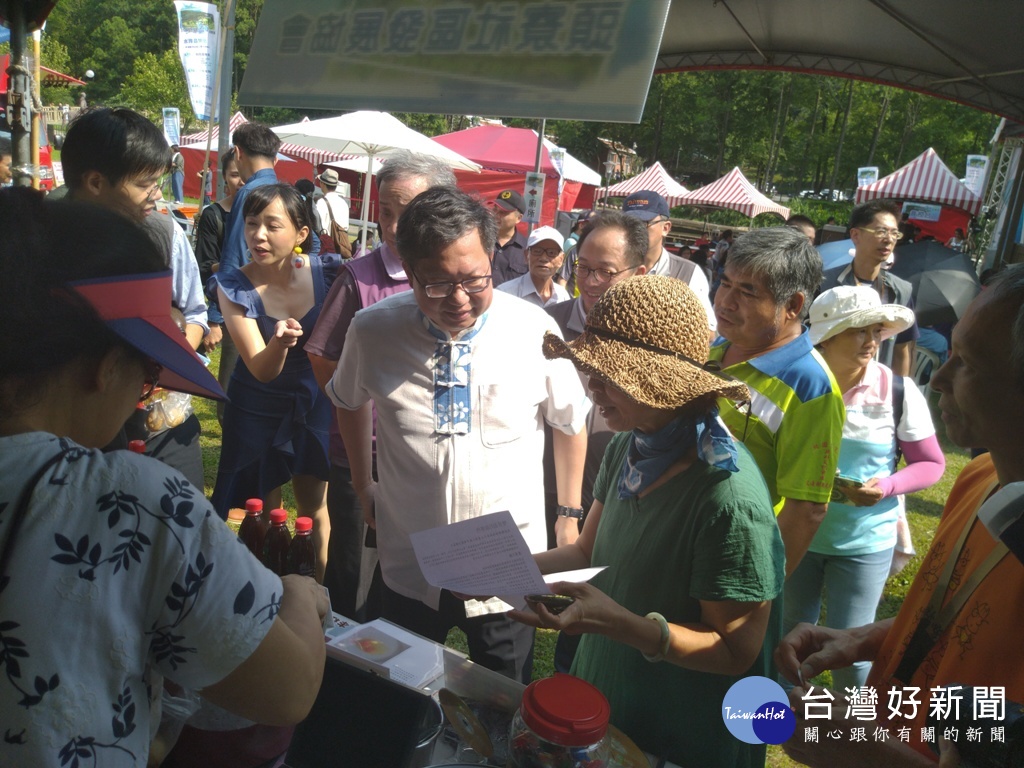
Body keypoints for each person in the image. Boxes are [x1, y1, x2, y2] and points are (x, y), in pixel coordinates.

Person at [0, 188, 327, 767]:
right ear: (105, 370)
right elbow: (288, 690)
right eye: (150, 370)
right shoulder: (130, 500)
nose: (147, 392)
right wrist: (301, 598)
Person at [510, 274, 785, 768]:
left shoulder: (726, 496)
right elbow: (585, 553)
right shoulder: (628, 445)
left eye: (610, 374)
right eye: (590, 367)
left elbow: (735, 649)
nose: (592, 385)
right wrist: (502, 570)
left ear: (665, 383)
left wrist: (627, 626)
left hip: (681, 729)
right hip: (609, 703)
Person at [326, 187, 589, 682]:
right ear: (409, 269)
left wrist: (569, 516)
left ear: (491, 255)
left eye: (474, 279)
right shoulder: (374, 330)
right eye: (438, 285)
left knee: (503, 690)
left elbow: (570, 421)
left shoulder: (533, 330)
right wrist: (364, 484)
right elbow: (348, 400)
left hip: (506, 562)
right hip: (408, 552)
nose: (460, 300)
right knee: (399, 684)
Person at [777, 264, 1024, 768]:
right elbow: (962, 619)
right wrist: (867, 636)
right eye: (951, 352)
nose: (942, 381)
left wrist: (866, 753)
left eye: (971, 363)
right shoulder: (979, 476)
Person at [306, 150, 457, 619]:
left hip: (432, 453)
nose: (393, 228)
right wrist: (371, 400)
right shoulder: (360, 277)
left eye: (405, 213)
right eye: (385, 214)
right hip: (365, 454)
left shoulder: (458, 275)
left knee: (415, 571)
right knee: (353, 566)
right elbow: (323, 358)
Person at [783, 286, 945, 690]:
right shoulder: (797, 384)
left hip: (864, 543)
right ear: (827, 337)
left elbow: (931, 463)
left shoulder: (897, 390)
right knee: (786, 641)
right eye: (858, 331)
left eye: (876, 330)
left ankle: (857, 735)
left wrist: (888, 485)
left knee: (852, 653)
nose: (872, 340)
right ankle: (781, 721)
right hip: (796, 533)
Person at [61, 107, 210, 488]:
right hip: (72, 434)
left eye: (159, 182)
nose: (157, 195)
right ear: (95, 181)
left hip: (163, 426)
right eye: (146, 183)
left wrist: (159, 365)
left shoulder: (163, 234)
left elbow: (194, 314)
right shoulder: (36, 241)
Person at [210, 183, 335, 578]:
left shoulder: (328, 273)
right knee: (260, 509)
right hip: (256, 404)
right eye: (250, 224)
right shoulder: (233, 286)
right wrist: (280, 342)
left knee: (314, 506)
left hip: (313, 400)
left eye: (271, 225)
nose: (258, 235)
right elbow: (261, 369)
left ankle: (317, 595)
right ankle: (262, 597)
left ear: (301, 234)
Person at [710, 226, 846, 578]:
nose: (725, 301)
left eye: (747, 291)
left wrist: (757, 591)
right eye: (725, 283)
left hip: (732, 564)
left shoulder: (811, 387)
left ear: (793, 305)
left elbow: (806, 509)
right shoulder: (712, 350)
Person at [819, 200, 920, 376]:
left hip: (874, 395)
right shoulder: (825, 284)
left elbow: (902, 349)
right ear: (855, 235)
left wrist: (897, 393)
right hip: (828, 385)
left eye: (895, 233)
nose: (889, 239)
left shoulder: (900, 291)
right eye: (881, 231)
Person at [622, 189, 716, 332]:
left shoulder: (688, 273)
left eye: (643, 223)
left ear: (666, 228)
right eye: (628, 224)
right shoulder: (610, 266)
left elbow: (707, 332)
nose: (634, 230)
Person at [194, 148, 245, 365]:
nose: (242, 182)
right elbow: (203, 266)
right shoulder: (213, 215)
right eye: (234, 175)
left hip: (264, 309)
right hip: (228, 305)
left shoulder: (266, 213)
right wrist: (214, 320)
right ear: (224, 177)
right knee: (229, 383)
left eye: (246, 175)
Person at [497, 225, 571, 307]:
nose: (543, 258)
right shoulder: (505, 294)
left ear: (561, 259)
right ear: (526, 255)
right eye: (537, 251)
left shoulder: (562, 296)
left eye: (551, 253)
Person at [490, 188, 528, 286]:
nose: (497, 215)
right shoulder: (480, 240)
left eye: (503, 212)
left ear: (518, 218)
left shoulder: (527, 250)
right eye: (495, 209)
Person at [314, 168, 350, 244]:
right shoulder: (344, 203)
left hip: (326, 244)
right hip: (341, 244)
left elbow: (318, 226)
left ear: (322, 184)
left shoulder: (321, 202)